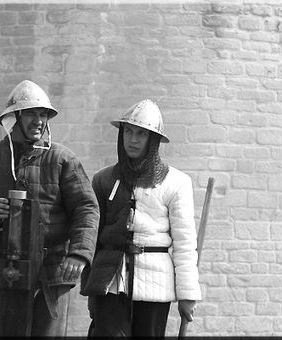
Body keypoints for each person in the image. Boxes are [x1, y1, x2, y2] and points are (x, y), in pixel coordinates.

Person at [0, 80, 99, 336]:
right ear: (14, 118)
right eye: (31, 113)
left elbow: (86, 208)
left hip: (52, 270)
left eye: (43, 114)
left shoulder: (62, 159)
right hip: (0, 268)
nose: (39, 121)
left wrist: (78, 253)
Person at [82, 99, 201, 337]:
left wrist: (187, 295)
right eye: (128, 131)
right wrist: (90, 287)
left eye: (141, 134)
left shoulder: (176, 183)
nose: (133, 139)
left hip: (155, 284)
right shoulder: (104, 180)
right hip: (111, 281)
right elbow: (92, 238)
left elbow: (184, 243)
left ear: (152, 140)